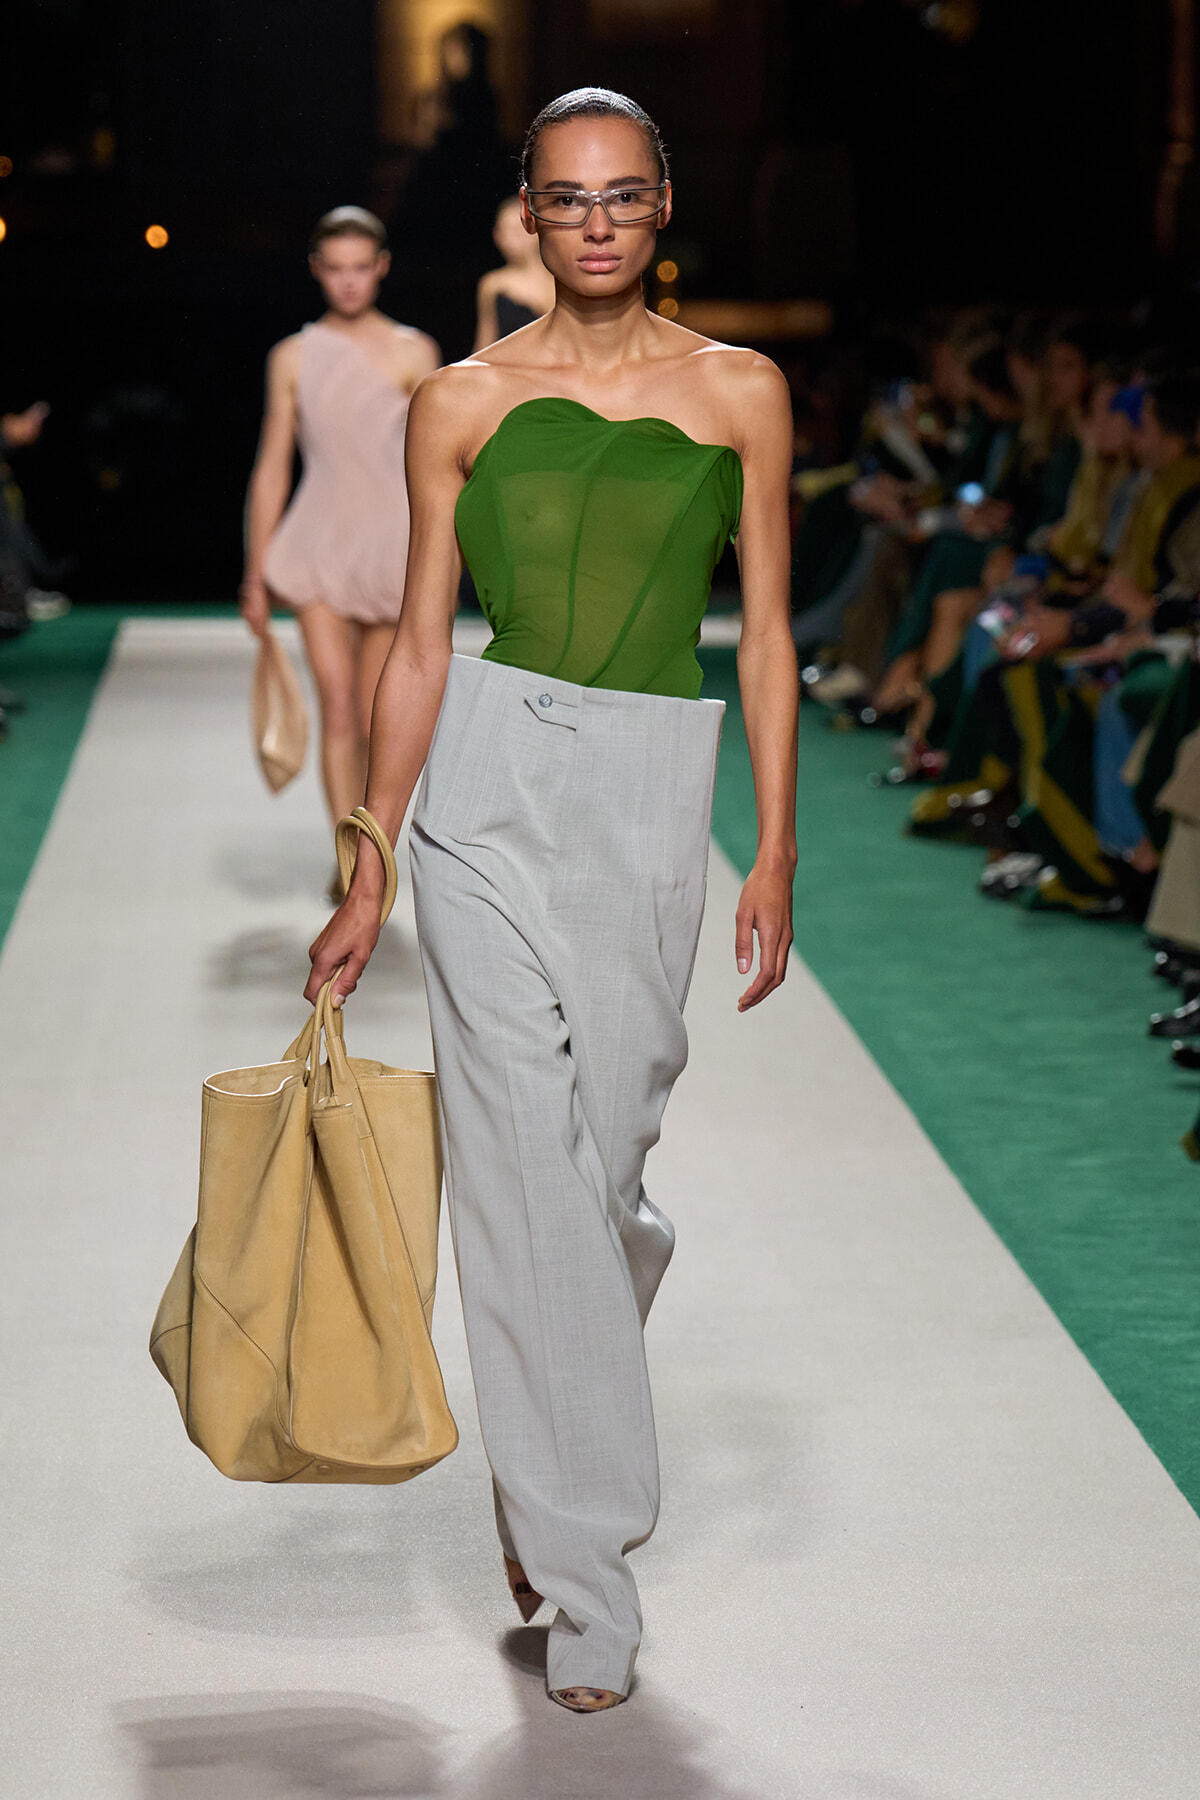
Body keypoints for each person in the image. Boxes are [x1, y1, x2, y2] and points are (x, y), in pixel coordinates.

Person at [305, 88, 798, 1712]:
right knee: (518, 1172)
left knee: (609, 1163)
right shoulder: (459, 400)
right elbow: (423, 646)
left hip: (654, 790)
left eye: (624, 196)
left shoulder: (743, 391)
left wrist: (778, 848)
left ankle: (583, 1356)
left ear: (665, 208)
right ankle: (583, 1568)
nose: (594, 223)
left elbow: (774, 634)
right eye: (566, 198)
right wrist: (371, 856)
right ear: (527, 210)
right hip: (488, 790)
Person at [240, 207, 440, 833]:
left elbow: (433, 466)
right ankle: (347, 856)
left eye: (360, 268)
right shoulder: (292, 357)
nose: (349, 282)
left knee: (377, 712)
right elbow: (272, 465)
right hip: (318, 540)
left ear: (381, 267)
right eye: (336, 270)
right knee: (340, 707)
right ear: (317, 271)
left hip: (389, 543)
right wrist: (254, 570)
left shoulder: (416, 351)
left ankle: (367, 844)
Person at [472, 195, 557, 350]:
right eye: (502, 231)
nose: (509, 240)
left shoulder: (562, 279)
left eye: (516, 231)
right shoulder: (494, 284)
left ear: (533, 229)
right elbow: (484, 345)